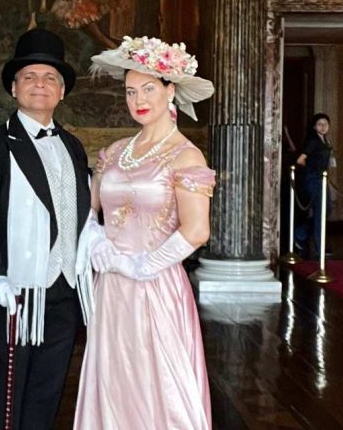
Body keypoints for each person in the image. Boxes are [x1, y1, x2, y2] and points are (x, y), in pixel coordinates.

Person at [73, 36, 215, 429]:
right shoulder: (115, 151)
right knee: (114, 379)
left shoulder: (187, 155)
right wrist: (95, 239)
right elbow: (91, 207)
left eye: (149, 88)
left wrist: (140, 265)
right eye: (131, 90)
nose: (139, 98)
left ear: (171, 90)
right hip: (111, 286)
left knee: (158, 384)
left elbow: (197, 231)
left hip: (155, 285)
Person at [0, 28, 92, 430]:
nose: (41, 84)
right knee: (6, 397)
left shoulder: (73, 145)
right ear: (14, 87)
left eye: (51, 77)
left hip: (66, 291)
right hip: (16, 293)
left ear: (63, 92)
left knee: (48, 390)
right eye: (31, 77)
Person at [295, 112, 333, 258]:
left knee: (326, 211)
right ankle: (319, 247)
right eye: (319, 124)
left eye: (325, 124)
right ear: (314, 126)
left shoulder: (324, 141)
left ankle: (300, 233)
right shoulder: (313, 141)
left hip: (322, 179)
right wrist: (311, 169)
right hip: (314, 179)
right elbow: (300, 160)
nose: (323, 127)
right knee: (320, 212)